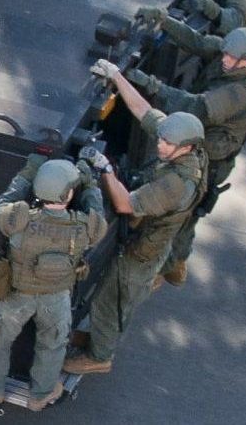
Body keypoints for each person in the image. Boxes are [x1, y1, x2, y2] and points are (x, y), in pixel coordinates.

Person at [64, 59, 208, 375]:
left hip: (143, 252)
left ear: (184, 148)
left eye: (167, 143)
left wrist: (104, 169)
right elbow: (144, 111)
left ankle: (99, 356)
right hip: (149, 241)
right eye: (161, 139)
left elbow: (127, 204)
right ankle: (98, 340)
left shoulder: (176, 183)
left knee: (111, 300)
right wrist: (116, 75)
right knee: (112, 298)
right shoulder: (183, 144)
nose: (160, 144)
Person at [126, 11, 246, 286]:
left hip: (210, 161)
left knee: (179, 216)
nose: (225, 59)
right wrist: (164, 20)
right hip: (196, 145)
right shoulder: (231, 59)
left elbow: (196, 107)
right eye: (226, 54)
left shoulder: (240, 93)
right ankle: (174, 261)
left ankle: (165, 267)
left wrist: (151, 85)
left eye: (232, 58)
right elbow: (199, 42)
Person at [0, 157, 107, 412]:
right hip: (57, 296)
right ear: (69, 193)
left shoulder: (19, 219)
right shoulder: (85, 226)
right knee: (52, 344)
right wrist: (90, 182)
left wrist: (27, 173)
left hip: (15, 295)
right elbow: (98, 216)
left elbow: (0, 206)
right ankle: (40, 395)